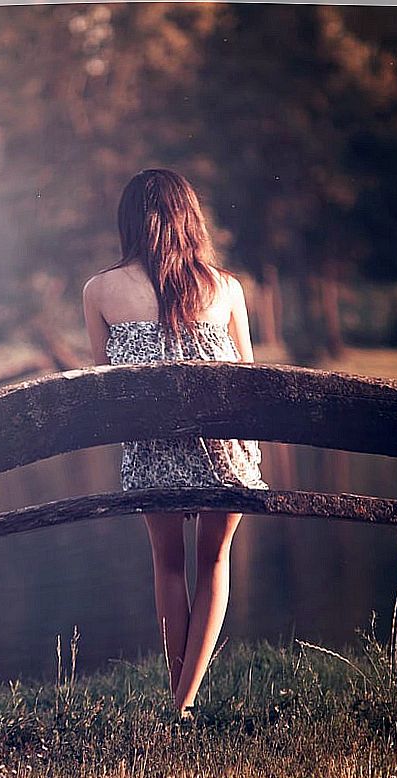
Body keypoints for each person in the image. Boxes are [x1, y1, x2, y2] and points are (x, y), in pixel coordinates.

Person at [81, 168, 268, 719]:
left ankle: (178, 703)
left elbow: (105, 385)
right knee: (214, 561)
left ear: (129, 222)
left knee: (168, 565)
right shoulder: (227, 288)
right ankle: (184, 703)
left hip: (151, 460)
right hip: (225, 461)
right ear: (191, 219)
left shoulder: (100, 291)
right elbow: (252, 383)